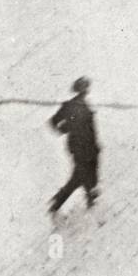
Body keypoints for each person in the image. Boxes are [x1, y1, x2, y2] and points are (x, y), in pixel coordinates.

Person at [48, 76, 100, 215]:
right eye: (83, 87)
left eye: (86, 87)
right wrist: (65, 129)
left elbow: (91, 129)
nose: (85, 90)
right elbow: (53, 122)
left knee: (85, 174)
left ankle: (88, 199)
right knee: (80, 176)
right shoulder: (70, 106)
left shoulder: (84, 106)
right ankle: (59, 202)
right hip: (79, 147)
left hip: (89, 146)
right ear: (78, 90)